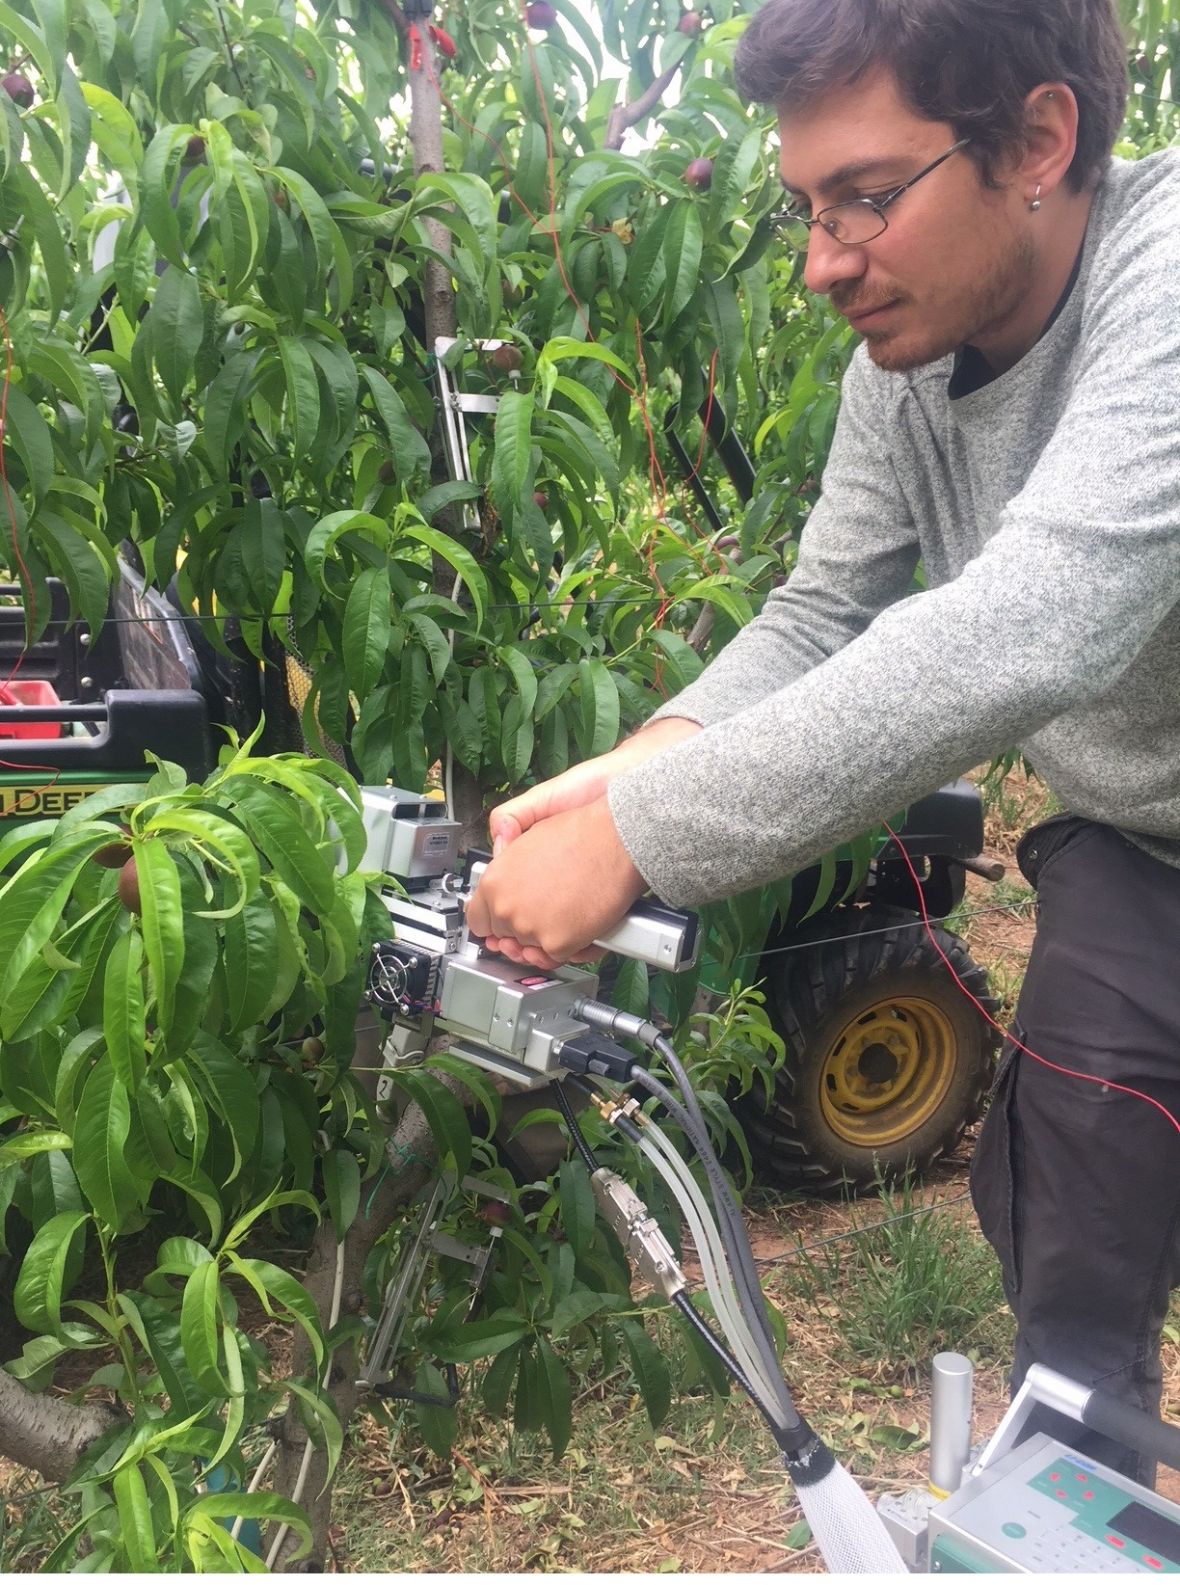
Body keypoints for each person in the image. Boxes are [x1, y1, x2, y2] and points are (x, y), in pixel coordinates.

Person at [467, 0, 1180, 1482]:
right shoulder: (903, 374)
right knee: (1079, 1242)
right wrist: (630, 764)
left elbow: (1035, 623)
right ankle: (1078, 1492)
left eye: (866, 197)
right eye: (807, 206)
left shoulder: (1162, 284)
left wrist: (635, 846)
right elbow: (818, 615)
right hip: (1139, 841)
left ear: (1039, 140)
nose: (821, 261)